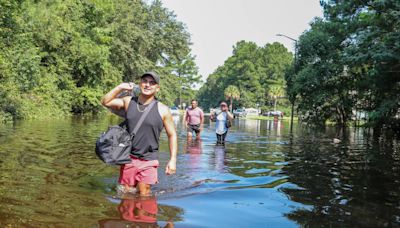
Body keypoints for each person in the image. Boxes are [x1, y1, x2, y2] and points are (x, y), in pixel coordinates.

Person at [101, 72, 177, 196]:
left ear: (157, 88)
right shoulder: (128, 102)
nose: (147, 85)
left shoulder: (163, 109)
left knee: (144, 193)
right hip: (128, 158)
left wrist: (172, 159)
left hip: (149, 159)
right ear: (139, 84)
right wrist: (120, 87)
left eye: (152, 83)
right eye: (145, 81)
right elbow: (105, 101)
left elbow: (172, 134)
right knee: (126, 193)